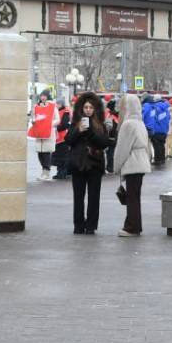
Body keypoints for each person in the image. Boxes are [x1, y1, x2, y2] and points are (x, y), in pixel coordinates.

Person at [66, 91, 111, 235]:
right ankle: (78, 225)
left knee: (94, 197)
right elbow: (68, 140)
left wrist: (90, 132)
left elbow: (104, 143)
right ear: (81, 108)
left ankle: (91, 226)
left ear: (95, 109)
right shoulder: (76, 123)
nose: (88, 110)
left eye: (91, 107)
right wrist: (78, 131)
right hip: (78, 164)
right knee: (78, 197)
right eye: (86, 107)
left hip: (95, 164)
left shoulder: (100, 124)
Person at [113, 91, 152, 236]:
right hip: (141, 164)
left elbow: (122, 149)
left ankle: (131, 227)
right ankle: (135, 225)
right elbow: (147, 146)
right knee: (135, 196)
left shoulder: (128, 124)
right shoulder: (140, 123)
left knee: (132, 197)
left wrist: (116, 166)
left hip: (133, 164)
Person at [28, 93, 57, 178]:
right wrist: (33, 120)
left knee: (46, 153)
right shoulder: (36, 107)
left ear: (48, 97)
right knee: (40, 153)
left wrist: (49, 124)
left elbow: (57, 119)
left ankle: (46, 172)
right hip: (39, 132)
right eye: (42, 96)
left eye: (45, 96)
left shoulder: (53, 106)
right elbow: (33, 117)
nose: (43, 97)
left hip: (48, 133)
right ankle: (43, 171)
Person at [143, 92, 171, 167]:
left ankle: (157, 160)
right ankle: (162, 159)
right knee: (162, 144)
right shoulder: (166, 108)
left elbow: (153, 118)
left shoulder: (155, 107)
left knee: (156, 145)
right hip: (164, 129)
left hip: (156, 129)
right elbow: (169, 118)